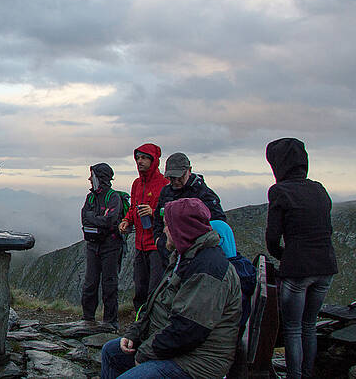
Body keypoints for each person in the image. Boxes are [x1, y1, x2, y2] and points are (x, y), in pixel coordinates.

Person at [101, 198, 242, 379]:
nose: (164, 231)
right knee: (111, 352)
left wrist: (146, 352)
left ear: (182, 229)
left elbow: (189, 330)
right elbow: (156, 302)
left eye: (168, 226)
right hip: (176, 348)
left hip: (197, 362)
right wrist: (136, 332)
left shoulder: (207, 269)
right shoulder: (184, 256)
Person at [265, 138, 338, 379]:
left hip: (297, 269)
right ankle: (308, 374)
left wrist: (285, 257)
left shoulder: (279, 191)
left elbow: (273, 238)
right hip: (326, 266)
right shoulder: (319, 188)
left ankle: (294, 376)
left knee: (293, 329)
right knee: (309, 325)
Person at [118, 143, 168, 312]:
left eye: (145, 158)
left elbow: (172, 212)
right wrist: (126, 221)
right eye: (138, 158)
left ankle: (153, 323)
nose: (140, 161)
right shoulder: (136, 184)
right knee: (140, 288)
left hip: (156, 245)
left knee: (155, 287)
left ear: (154, 161)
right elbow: (133, 208)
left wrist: (154, 212)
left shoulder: (164, 184)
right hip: (140, 245)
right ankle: (139, 323)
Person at [154, 152, 227, 262]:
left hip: (194, 258)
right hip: (168, 255)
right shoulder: (166, 192)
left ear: (189, 170)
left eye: (180, 177)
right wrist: (158, 240)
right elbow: (158, 217)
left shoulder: (204, 194)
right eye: (172, 178)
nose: (176, 181)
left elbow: (218, 223)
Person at [81, 163, 125, 330]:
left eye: (92, 177)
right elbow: (84, 217)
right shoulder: (90, 197)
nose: (89, 180)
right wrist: (99, 219)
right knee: (90, 283)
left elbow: (110, 220)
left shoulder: (113, 197)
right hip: (93, 245)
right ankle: (88, 319)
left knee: (109, 283)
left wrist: (94, 218)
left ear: (100, 178)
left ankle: (110, 322)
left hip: (111, 246)